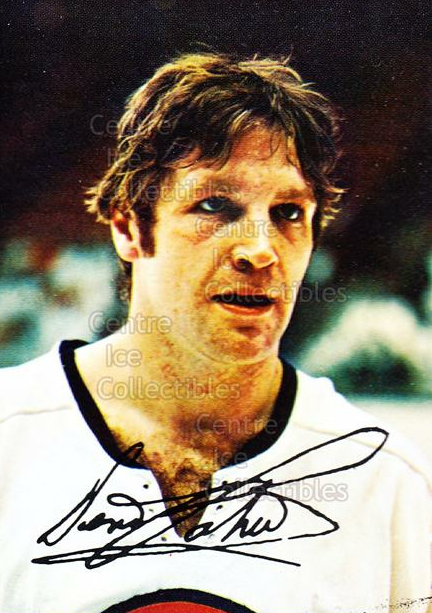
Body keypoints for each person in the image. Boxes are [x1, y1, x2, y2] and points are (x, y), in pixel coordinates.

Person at [0, 52, 430, 613]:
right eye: (215, 205)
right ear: (129, 226)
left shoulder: (384, 479)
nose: (260, 249)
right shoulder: (10, 438)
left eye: (288, 213)